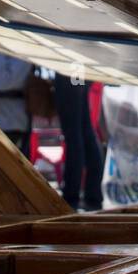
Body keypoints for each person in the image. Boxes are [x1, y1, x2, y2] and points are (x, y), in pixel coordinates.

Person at [52, 73, 104, 212]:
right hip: (78, 70)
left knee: (75, 135)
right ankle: (92, 196)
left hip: (72, 69)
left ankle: (72, 196)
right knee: (83, 131)